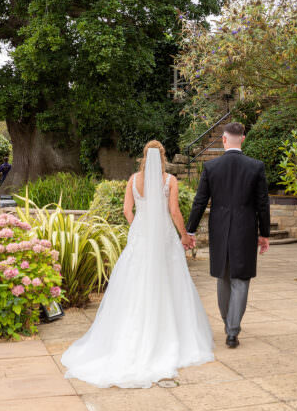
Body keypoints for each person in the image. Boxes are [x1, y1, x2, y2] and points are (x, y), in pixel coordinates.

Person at [61, 141, 214, 388]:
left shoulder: (133, 179)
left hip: (141, 236)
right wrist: (184, 234)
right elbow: (174, 211)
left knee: (135, 281)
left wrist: (139, 226)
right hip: (163, 235)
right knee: (169, 280)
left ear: (144, 157)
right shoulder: (169, 180)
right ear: (162, 157)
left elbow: (126, 210)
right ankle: (169, 335)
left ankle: (130, 334)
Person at [185, 122, 270, 349]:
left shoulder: (212, 167)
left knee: (223, 278)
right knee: (240, 280)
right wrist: (265, 234)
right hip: (245, 230)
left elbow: (200, 201)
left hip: (220, 229)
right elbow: (263, 204)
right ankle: (232, 331)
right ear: (243, 138)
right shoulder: (256, 167)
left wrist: (190, 230)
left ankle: (227, 324)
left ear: (224, 139)